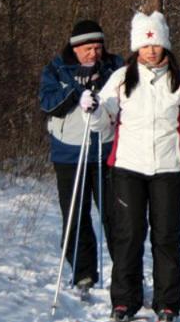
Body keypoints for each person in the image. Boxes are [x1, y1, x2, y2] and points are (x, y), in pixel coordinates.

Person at [96, 12, 180, 322]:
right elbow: (103, 121)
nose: (151, 51)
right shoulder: (121, 78)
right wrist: (92, 107)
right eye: (145, 45)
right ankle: (124, 300)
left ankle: (168, 302)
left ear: (165, 45)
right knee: (129, 235)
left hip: (168, 169)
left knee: (166, 237)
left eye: (156, 44)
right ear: (137, 47)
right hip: (127, 168)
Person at [39, 19, 122, 295]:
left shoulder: (114, 66)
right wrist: (77, 89)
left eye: (98, 47)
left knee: (116, 215)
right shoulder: (57, 68)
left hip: (106, 150)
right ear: (75, 48)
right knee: (76, 215)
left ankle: (125, 272)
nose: (93, 53)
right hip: (69, 151)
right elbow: (48, 104)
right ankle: (83, 272)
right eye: (87, 48)